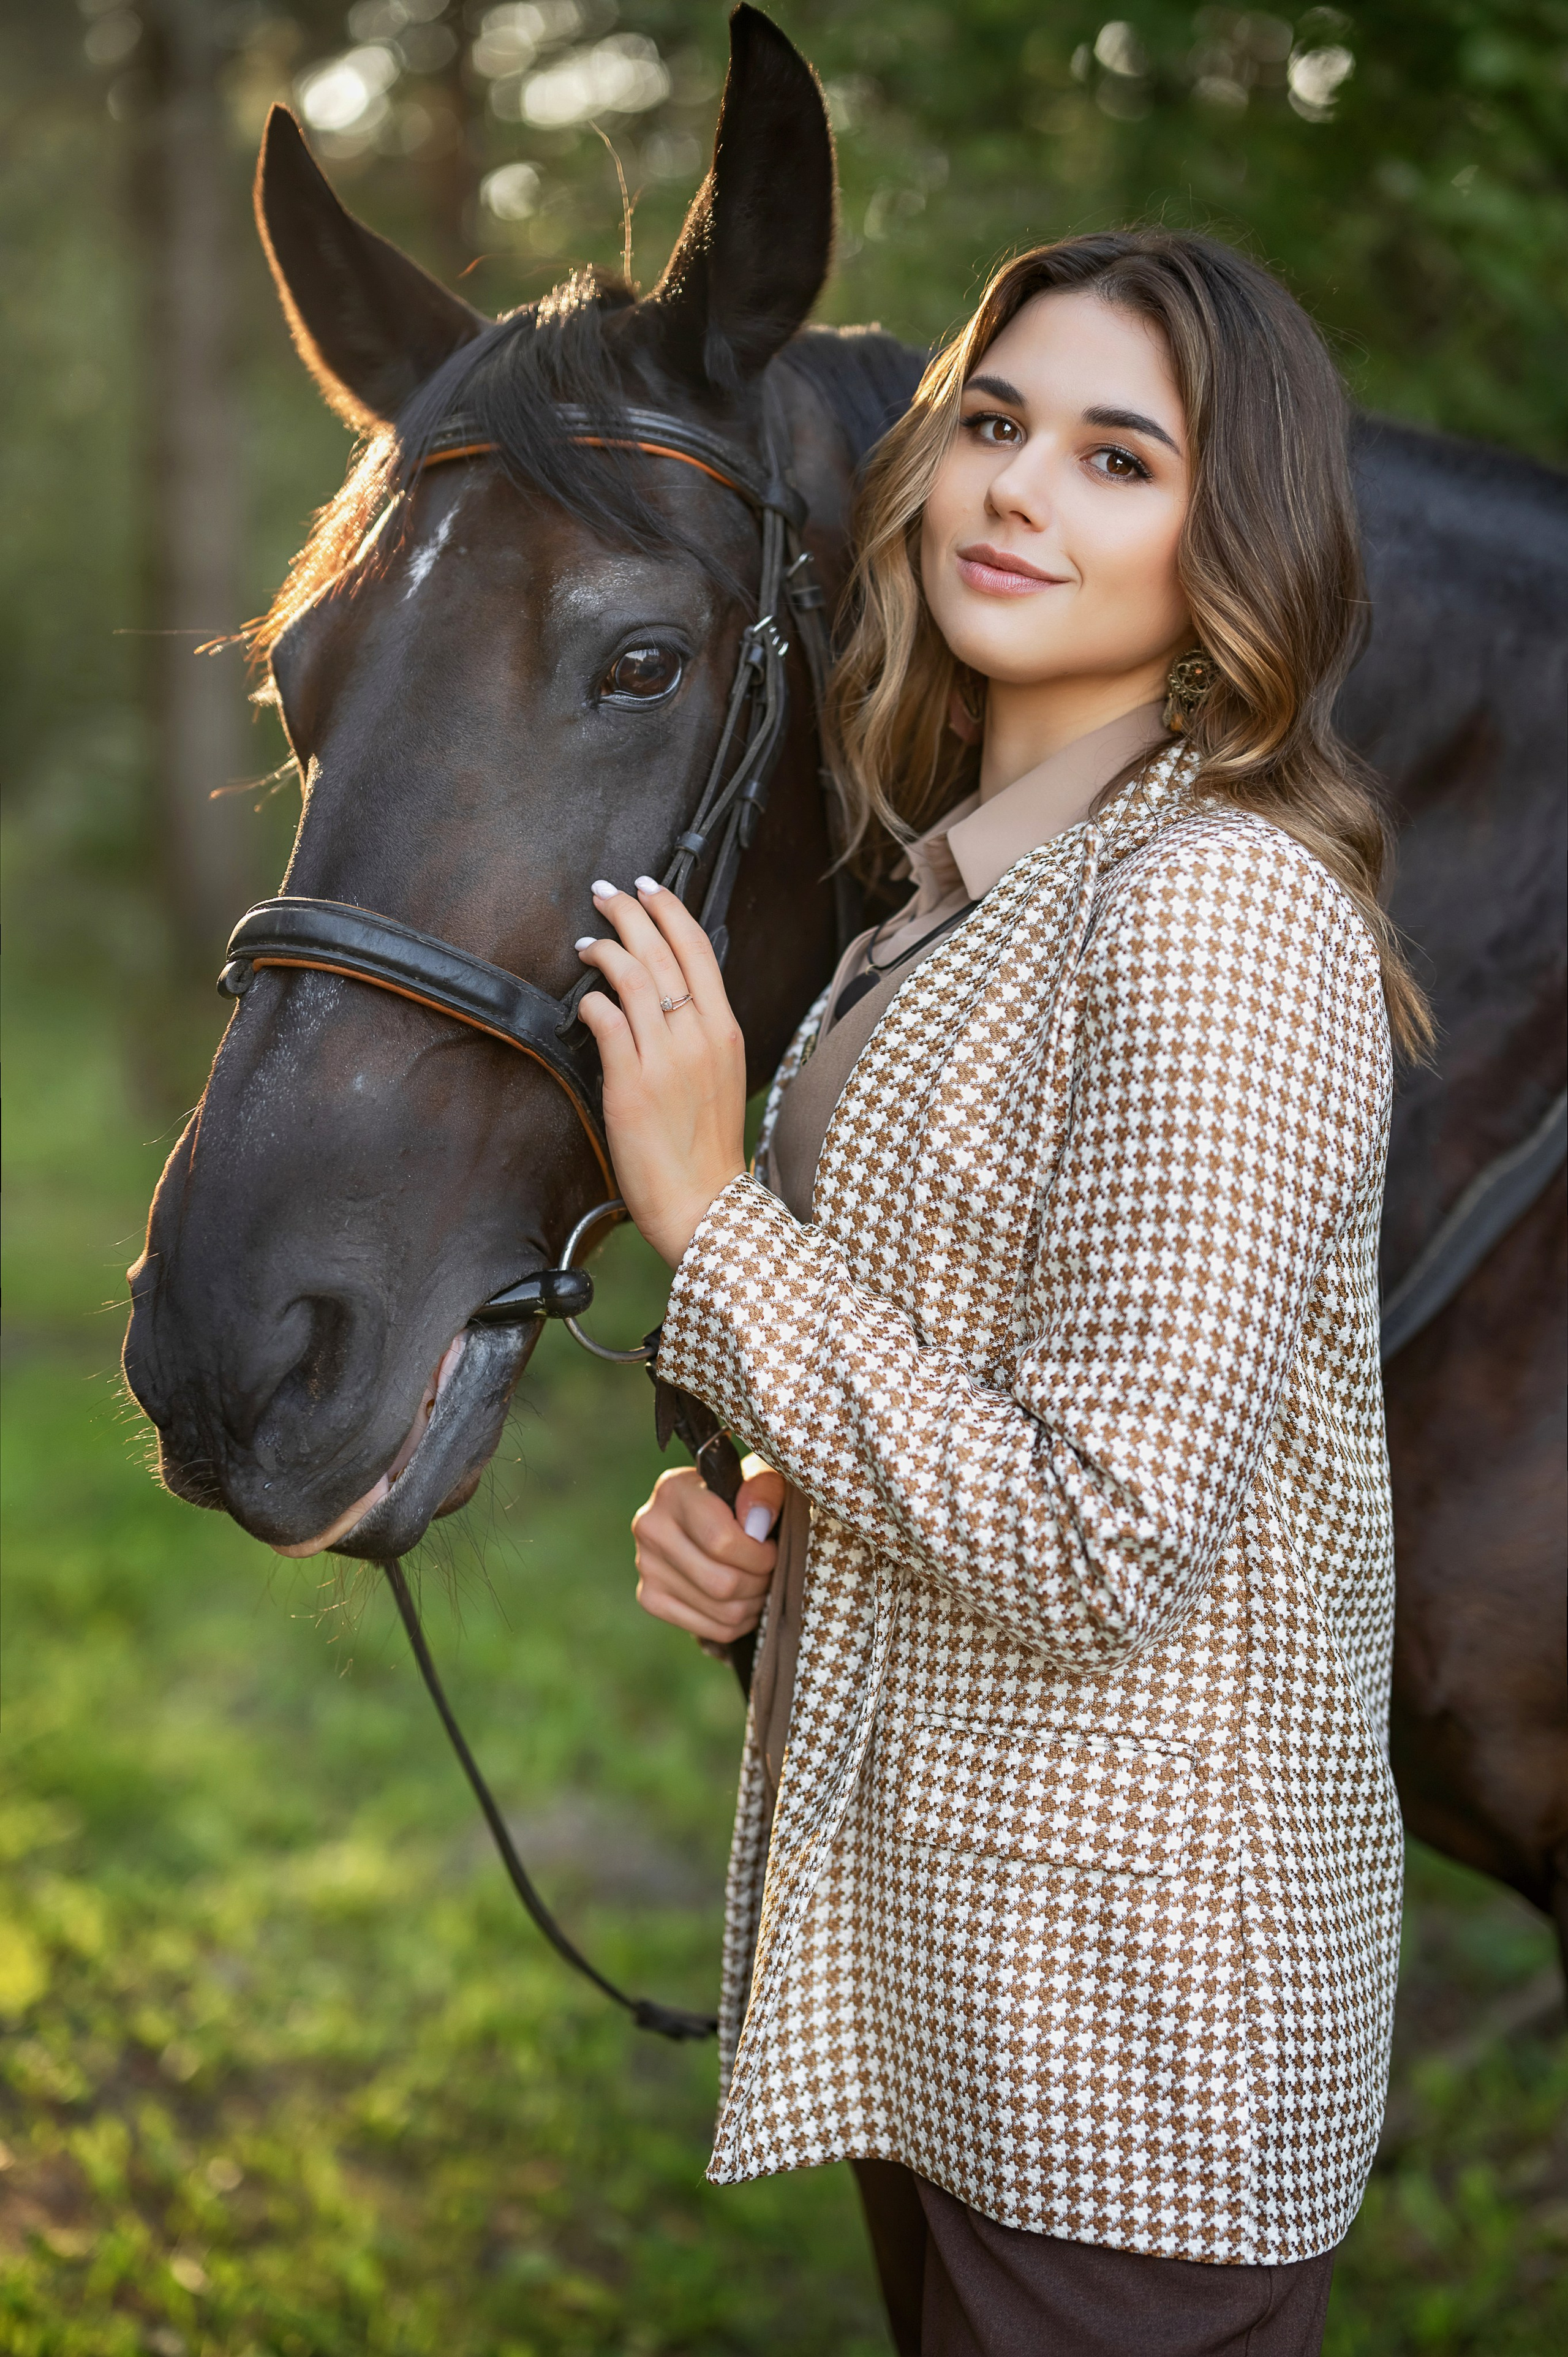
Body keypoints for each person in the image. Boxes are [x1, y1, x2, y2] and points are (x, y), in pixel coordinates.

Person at [571, 230, 1431, 2357]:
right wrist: (772, 1542)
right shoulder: (965, 890)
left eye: (1117, 458)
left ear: (1232, 542)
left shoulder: (1219, 907)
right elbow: (968, 1390)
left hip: (1133, 2046)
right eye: (991, 423)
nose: (1018, 489)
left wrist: (711, 1217)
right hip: (954, 2001)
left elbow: (1098, 1534)